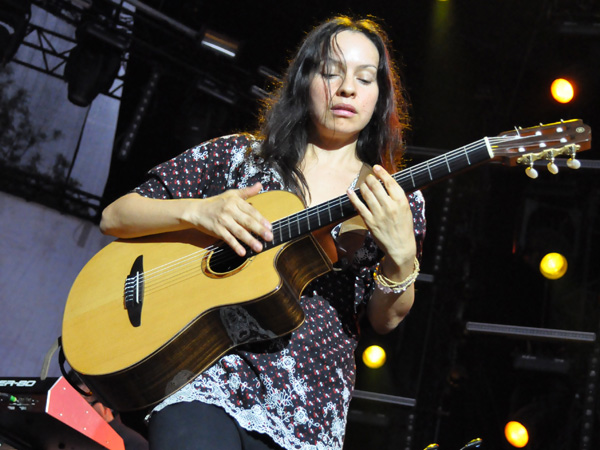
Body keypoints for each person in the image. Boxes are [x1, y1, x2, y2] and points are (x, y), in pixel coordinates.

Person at [100, 15, 426, 450]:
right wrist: (200, 211)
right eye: (331, 73)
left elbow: (385, 319)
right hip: (203, 375)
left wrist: (401, 257)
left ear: (379, 96)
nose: (348, 88)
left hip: (308, 408)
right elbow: (117, 216)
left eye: (366, 79)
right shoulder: (242, 157)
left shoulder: (394, 197)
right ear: (305, 80)